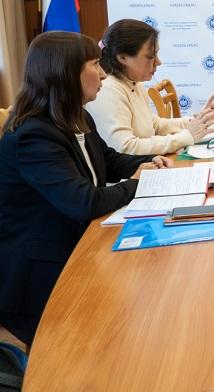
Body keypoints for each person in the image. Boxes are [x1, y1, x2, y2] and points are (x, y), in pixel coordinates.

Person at [0, 32, 172, 346]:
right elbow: (84, 202)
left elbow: (108, 160)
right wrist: (138, 183)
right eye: (94, 64)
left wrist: (149, 162)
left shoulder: (76, 115)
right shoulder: (33, 135)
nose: (104, 73)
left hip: (78, 244)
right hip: (41, 271)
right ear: (66, 73)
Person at [86, 19, 214, 154]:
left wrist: (197, 121)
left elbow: (154, 125)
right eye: (151, 56)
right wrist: (187, 136)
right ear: (122, 57)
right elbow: (124, 147)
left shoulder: (134, 83)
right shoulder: (107, 90)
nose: (158, 62)